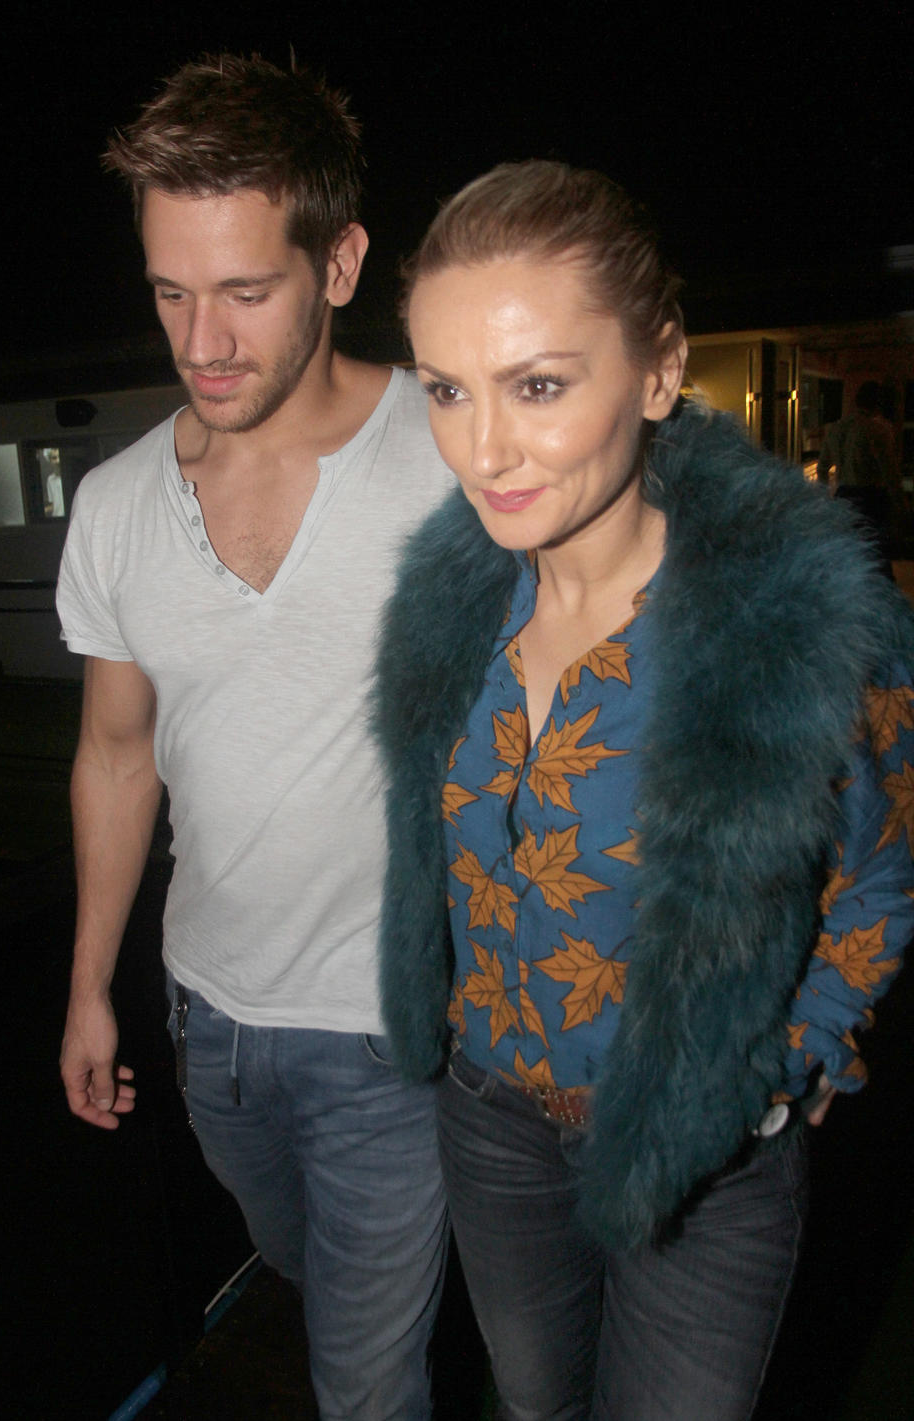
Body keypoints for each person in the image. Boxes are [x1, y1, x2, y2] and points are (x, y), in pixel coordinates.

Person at [374, 161, 914, 1420]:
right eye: (447, 390)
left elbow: (881, 876)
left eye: (538, 385)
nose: (482, 450)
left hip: (703, 1151)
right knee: (533, 1402)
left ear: (660, 371)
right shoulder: (449, 604)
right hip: (486, 1115)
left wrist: (769, 1074)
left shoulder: (796, 625)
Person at [56, 54, 452, 1420]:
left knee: (365, 1380)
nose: (202, 340)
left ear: (339, 265)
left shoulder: (458, 458)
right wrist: (90, 986)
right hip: (208, 1021)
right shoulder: (115, 506)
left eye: (243, 290)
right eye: (171, 291)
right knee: (296, 1269)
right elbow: (117, 754)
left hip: (396, 1035)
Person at [817, 380, 900, 572]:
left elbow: (822, 468)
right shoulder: (878, 429)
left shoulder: (836, 428)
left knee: (848, 553)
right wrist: (899, 504)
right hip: (871, 498)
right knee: (876, 555)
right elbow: (889, 472)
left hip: (844, 496)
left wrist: (826, 500)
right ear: (878, 403)